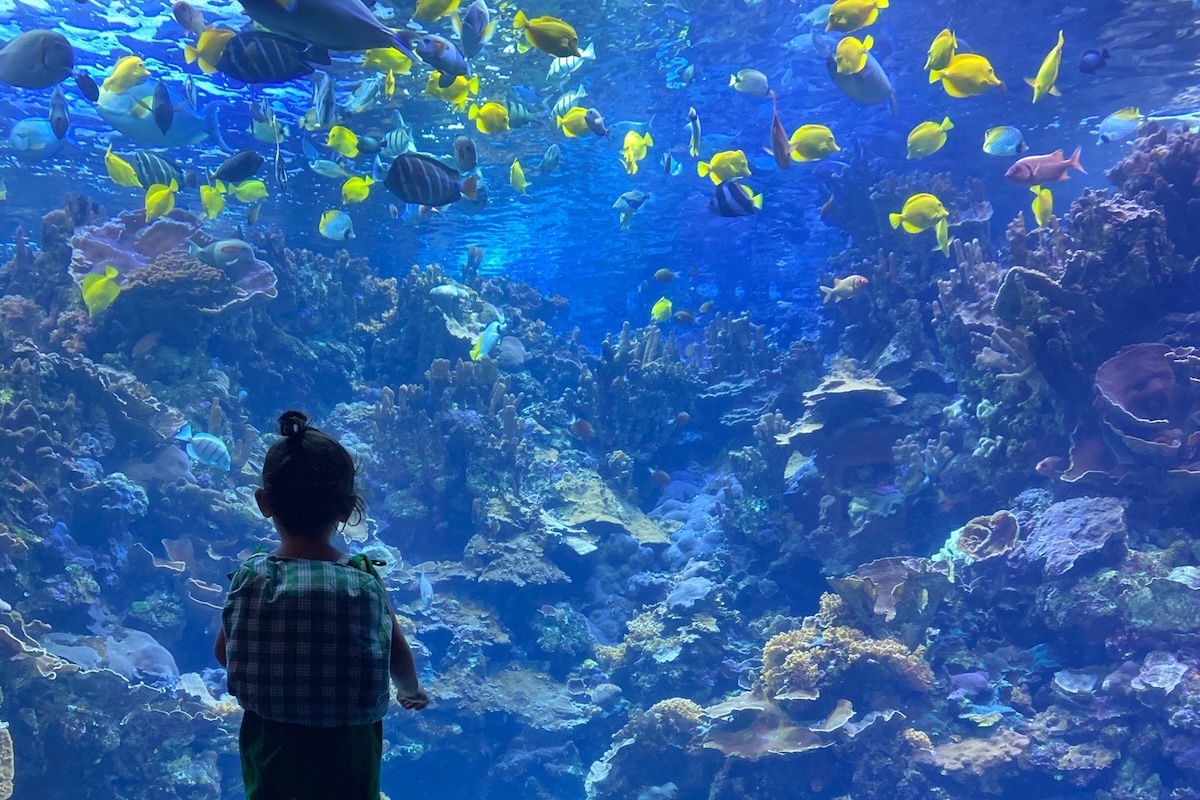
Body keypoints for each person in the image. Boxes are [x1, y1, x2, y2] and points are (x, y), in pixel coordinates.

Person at [215, 409, 428, 800]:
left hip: (269, 744)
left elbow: (224, 653)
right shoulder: (364, 579)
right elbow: (396, 653)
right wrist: (411, 691)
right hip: (348, 750)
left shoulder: (250, 576)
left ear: (264, 502)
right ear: (348, 509)